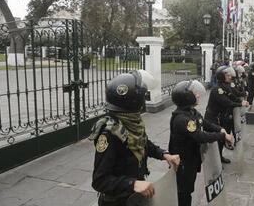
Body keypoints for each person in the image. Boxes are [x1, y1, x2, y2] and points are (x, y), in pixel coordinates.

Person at [90, 70, 180, 206]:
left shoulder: (133, 122)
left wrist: (164, 154)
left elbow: (144, 143)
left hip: (135, 197)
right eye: (143, 96)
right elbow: (100, 181)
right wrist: (133, 184)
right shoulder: (109, 134)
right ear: (134, 101)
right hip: (117, 201)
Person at [169, 80, 234, 206]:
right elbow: (200, 136)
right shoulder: (182, 119)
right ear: (187, 97)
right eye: (195, 94)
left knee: (189, 187)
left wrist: (220, 129)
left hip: (192, 158)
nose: (198, 95)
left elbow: (204, 122)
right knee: (184, 191)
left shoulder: (192, 111)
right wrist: (222, 135)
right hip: (183, 161)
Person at [205, 66, 249, 163]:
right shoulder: (217, 89)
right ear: (221, 76)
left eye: (230, 75)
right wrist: (240, 103)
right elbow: (226, 102)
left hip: (223, 116)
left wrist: (240, 100)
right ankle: (215, 159)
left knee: (223, 137)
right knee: (217, 139)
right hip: (213, 118)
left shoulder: (226, 86)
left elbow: (232, 96)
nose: (230, 77)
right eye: (227, 75)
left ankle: (219, 156)